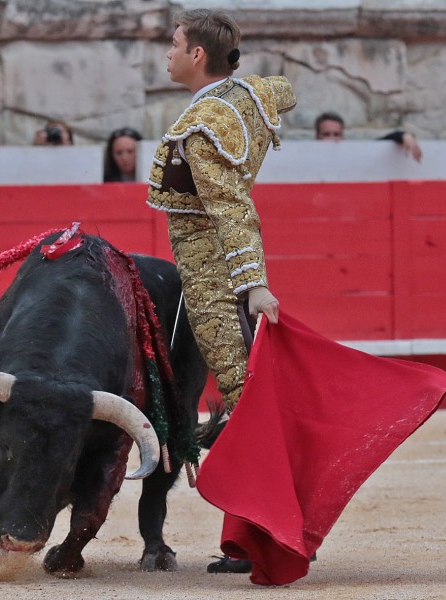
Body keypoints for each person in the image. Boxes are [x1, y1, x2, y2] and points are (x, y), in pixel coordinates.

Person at [145, 8, 296, 574]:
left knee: (243, 403)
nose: (168, 52)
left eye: (175, 43)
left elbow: (233, 209)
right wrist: (257, 89)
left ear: (196, 56)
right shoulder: (251, 95)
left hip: (214, 282)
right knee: (246, 401)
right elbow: (286, 91)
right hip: (223, 273)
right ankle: (254, 534)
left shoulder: (203, 127)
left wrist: (253, 285)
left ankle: (262, 538)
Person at [314, 111, 423, 162]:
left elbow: (377, 146)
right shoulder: (308, 157)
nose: (332, 139)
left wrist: (404, 136)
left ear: (342, 136)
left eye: (336, 134)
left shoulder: (351, 156)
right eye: (326, 134)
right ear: (317, 136)